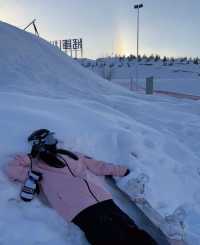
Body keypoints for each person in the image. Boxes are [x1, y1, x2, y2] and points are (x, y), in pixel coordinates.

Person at [5, 129, 157, 245]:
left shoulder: (71, 155)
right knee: (111, 239)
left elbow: (98, 166)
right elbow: (11, 169)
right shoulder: (35, 165)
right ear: (39, 144)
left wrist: (121, 171)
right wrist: (30, 156)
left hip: (102, 199)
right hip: (79, 208)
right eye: (49, 139)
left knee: (133, 231)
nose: (54, 141)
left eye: (53, 137)